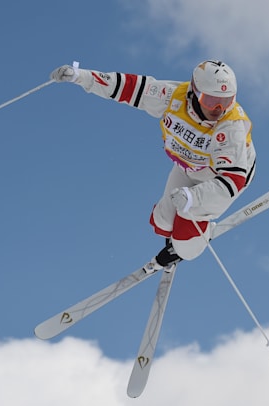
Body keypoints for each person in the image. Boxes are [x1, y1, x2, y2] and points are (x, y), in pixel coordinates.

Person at [50, 60, 256, 273]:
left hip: (219, 180)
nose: (219, 109)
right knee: (161, 222)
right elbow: (128, 87)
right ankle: (180, 234)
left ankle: (190, 241)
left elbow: (233, 181)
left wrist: (195, 198)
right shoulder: (173, 96)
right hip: (189, 166)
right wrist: (80, 76)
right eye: (211, 100)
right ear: (195, 92)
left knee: (186, 245)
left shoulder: (231, 127)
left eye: (226, 101)